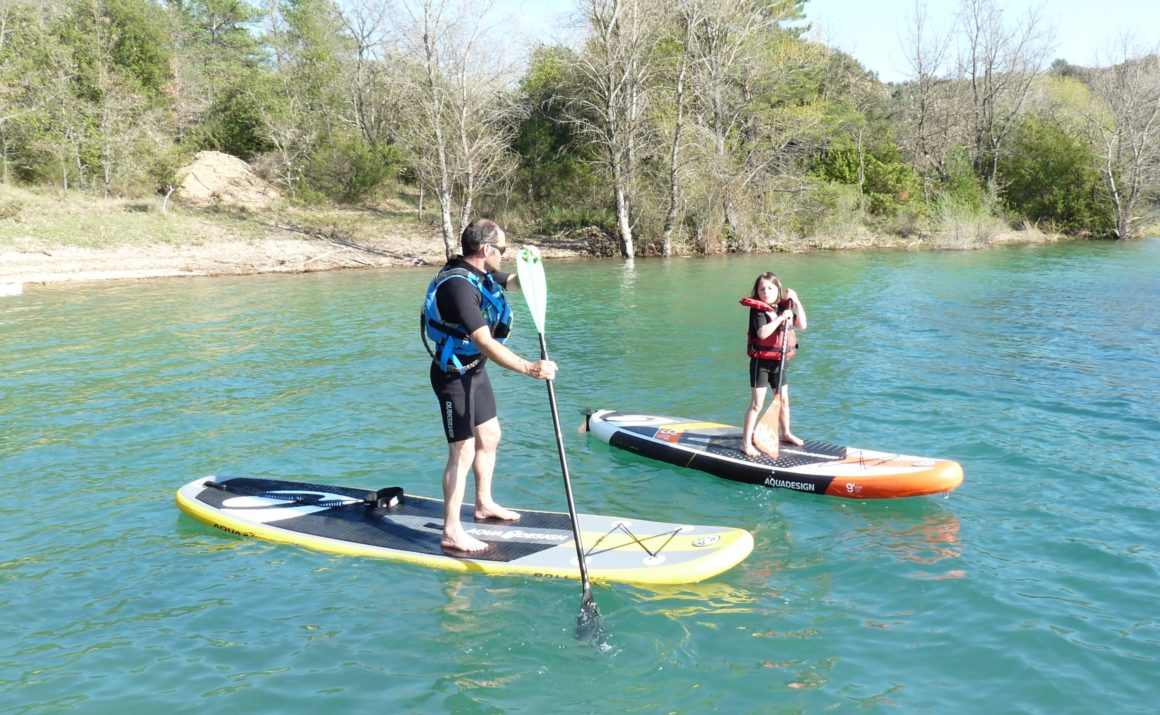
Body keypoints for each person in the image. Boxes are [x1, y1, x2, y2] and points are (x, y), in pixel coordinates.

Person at [422, 219, 557, 552]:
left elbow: (515, 283)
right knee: (462, 451)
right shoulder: (458, 287)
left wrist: (532, 264)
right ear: (484, 250)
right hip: (453, 376)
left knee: (491, 436)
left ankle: (483, 504)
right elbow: (485, 342)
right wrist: (530, 368)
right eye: (503, 250)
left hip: (475, 373)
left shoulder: (480, 275)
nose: (504, 256)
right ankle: (451, 530)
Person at [739, 272, 807, 458]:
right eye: (762, 289)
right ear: (757, 291)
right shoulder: (759, 310)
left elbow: (802, 325)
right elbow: (762, 333)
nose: (766, 292)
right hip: (761, 363)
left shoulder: (783, 307)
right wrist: (780, 318)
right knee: (756, 404)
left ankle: (786, 433)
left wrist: (796, 301)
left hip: (779, 361)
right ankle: (746, 443)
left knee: (783, 400)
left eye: (770, 288)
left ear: (777, 289)